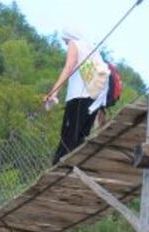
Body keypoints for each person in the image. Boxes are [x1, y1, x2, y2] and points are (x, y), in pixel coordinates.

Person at [45, 27, 109, 164]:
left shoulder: (75, 44)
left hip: (78, 98)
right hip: (94, 100)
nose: (66, 45)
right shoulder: (92, 50)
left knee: (68, 136)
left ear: (69, 37)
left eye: (65, 41)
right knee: (80, 137)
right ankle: (74, 167)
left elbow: (68, 68)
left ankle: (59, 168)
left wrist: (53, 92)